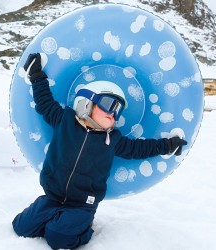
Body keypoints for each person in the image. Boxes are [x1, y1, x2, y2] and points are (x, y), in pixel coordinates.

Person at [12, 53, 187, 249]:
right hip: (52, 196)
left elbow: (139, 149)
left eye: (118, 110)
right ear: (86, 102)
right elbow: (44, 103)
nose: (113, 113)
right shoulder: (64, 121)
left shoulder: (113, 140)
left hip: (82, 205)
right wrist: (36, 74)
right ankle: (55, 218)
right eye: (109, 105)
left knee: (57, 238)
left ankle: (84, 230)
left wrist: (167, 145)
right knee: (20, 227)